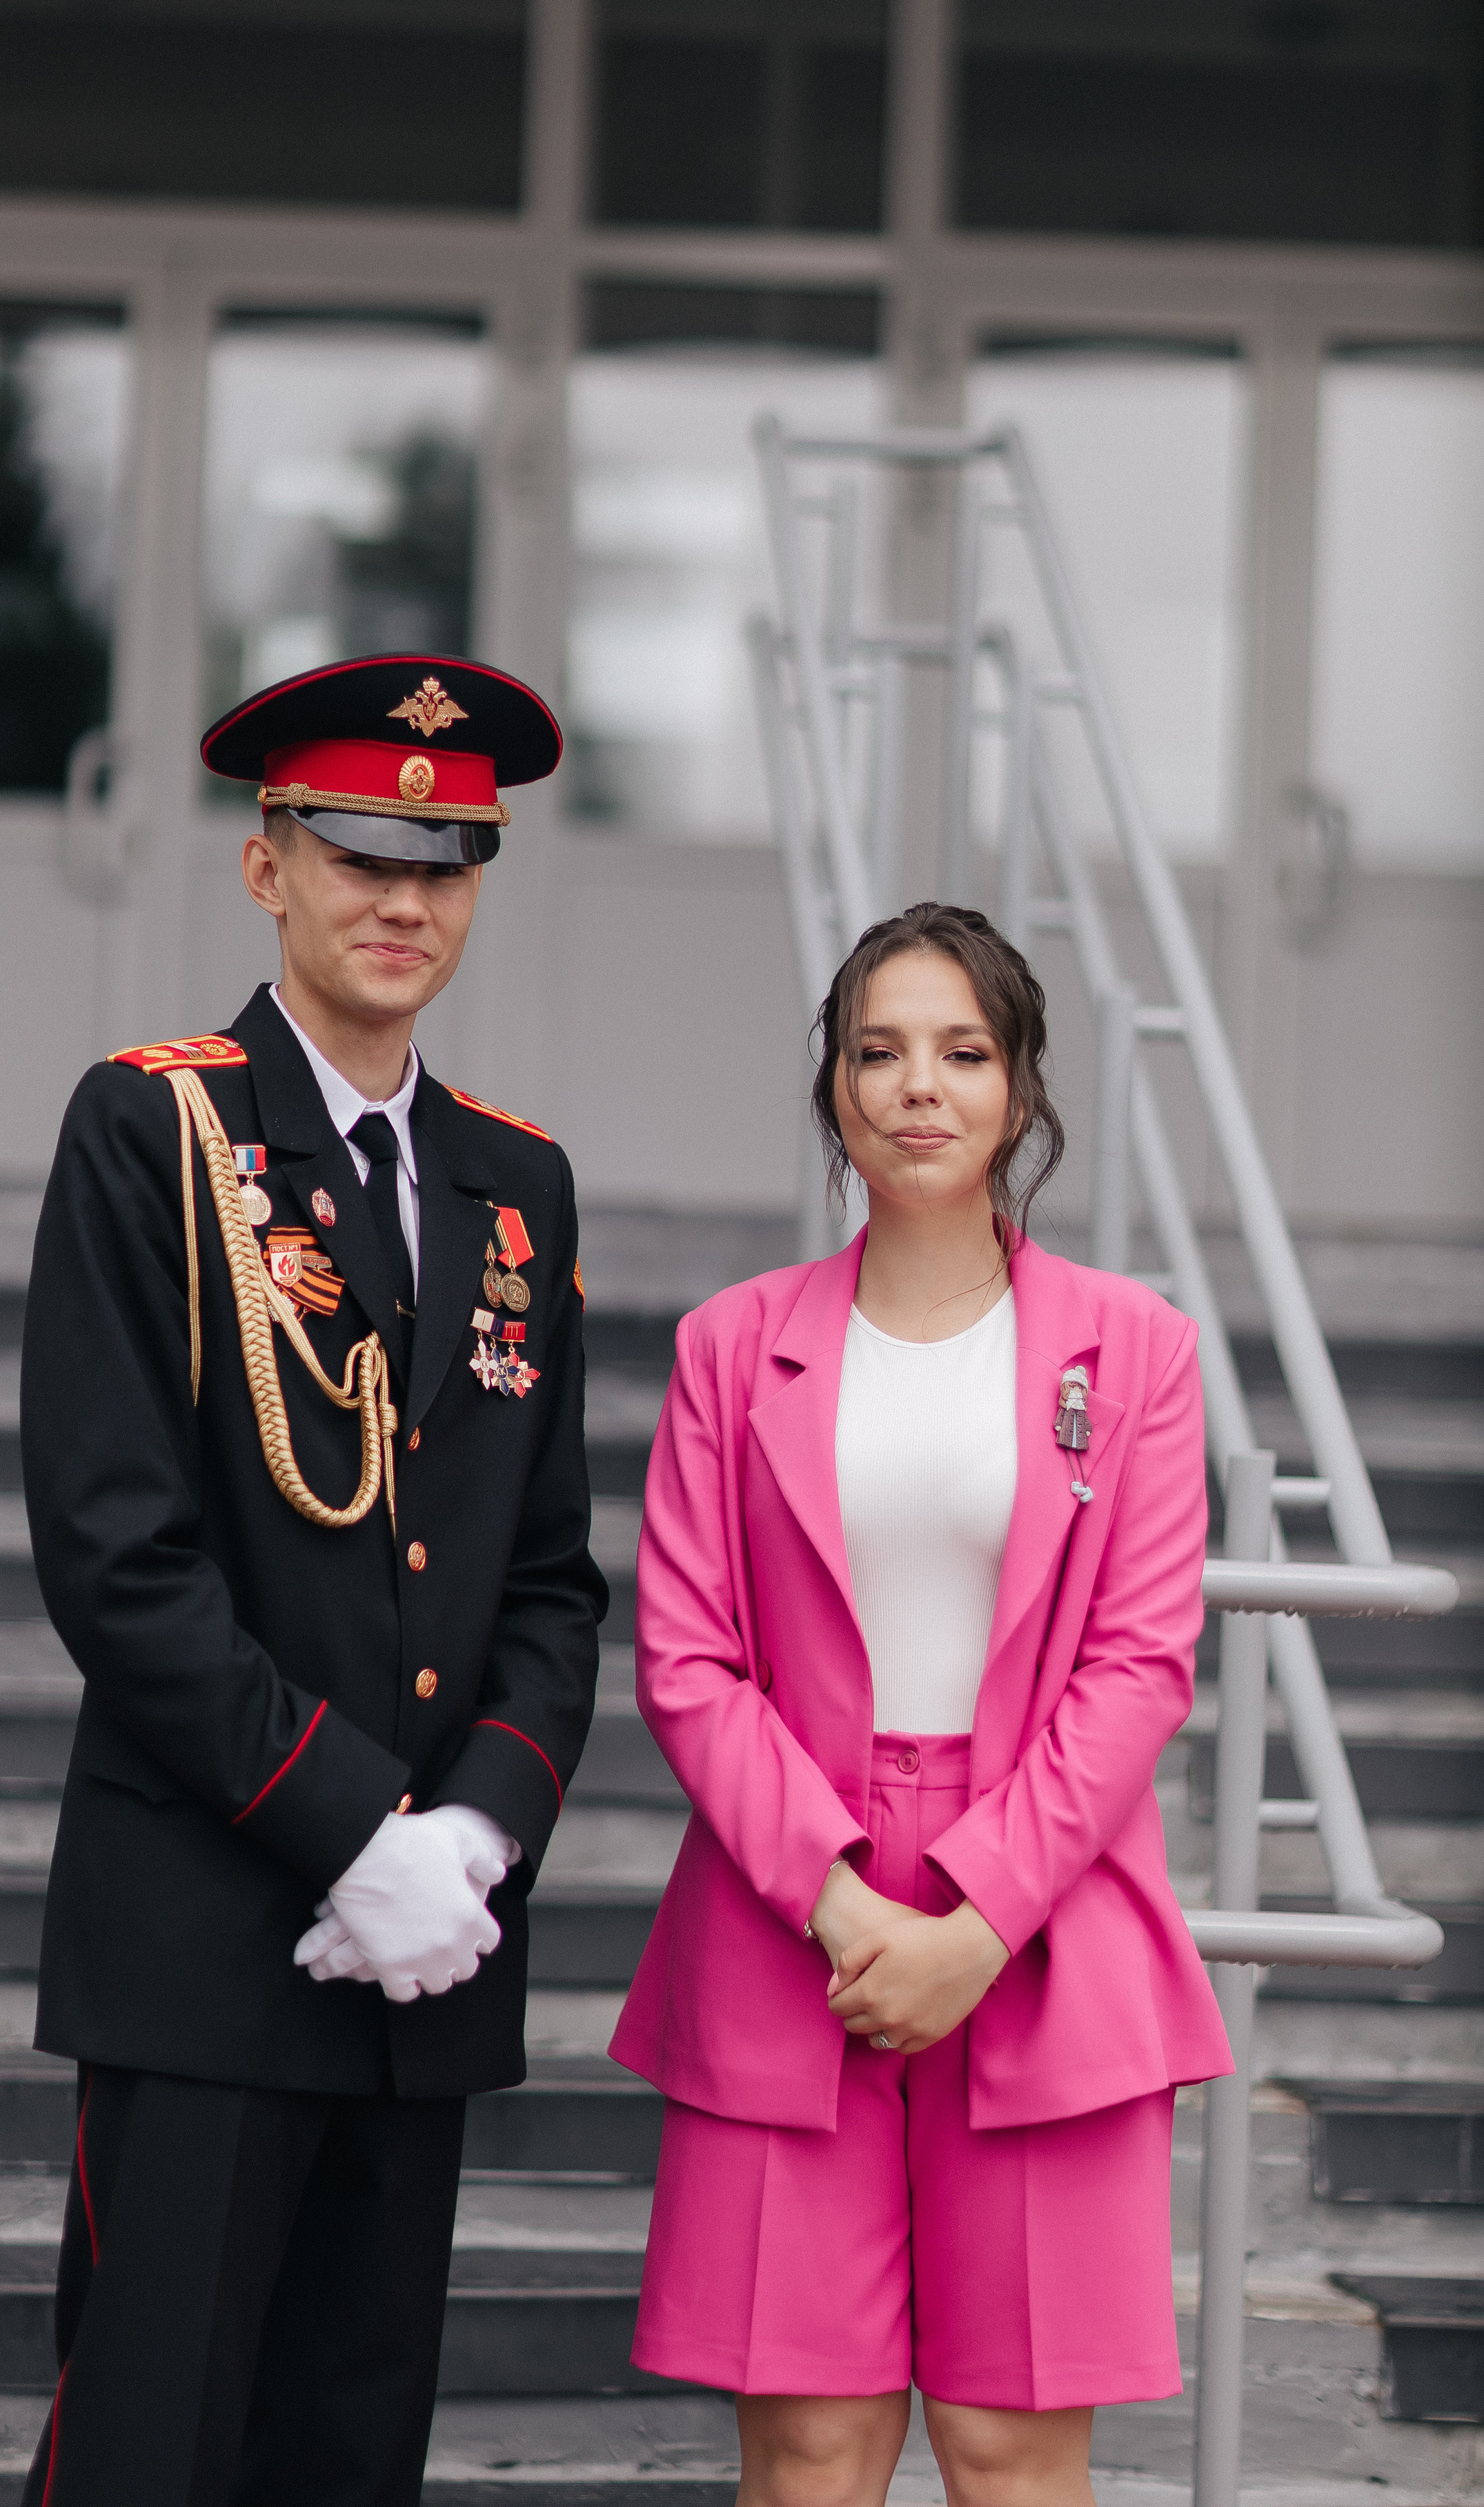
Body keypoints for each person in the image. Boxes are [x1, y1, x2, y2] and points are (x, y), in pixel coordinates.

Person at [19, 655, 604, 2507]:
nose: (401, 901)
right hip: (213, 1933)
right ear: (266, 867)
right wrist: (363, 1830)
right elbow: (122, 1561)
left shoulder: (519, 1187)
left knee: (348, 2463)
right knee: (151, 2456)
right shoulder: (154, 1131)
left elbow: (551, 1581)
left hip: (419, 1963)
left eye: (444, 862)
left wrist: (476, 1845)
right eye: (356, 853)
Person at [610, 903, 1231, 2507]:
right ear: (831, 1091)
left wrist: (975, 1921)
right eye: (875, 1052)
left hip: (1044, 1911)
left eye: (961, 1052)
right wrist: (832, 1902)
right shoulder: (732, 1351)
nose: (916, 1088)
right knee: (809, 2445)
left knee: (1011, 2448)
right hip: (783, 1915)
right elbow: (686, 1656)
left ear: (1019, 1090)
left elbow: (1137, 1663)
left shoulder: (1136, 1353)